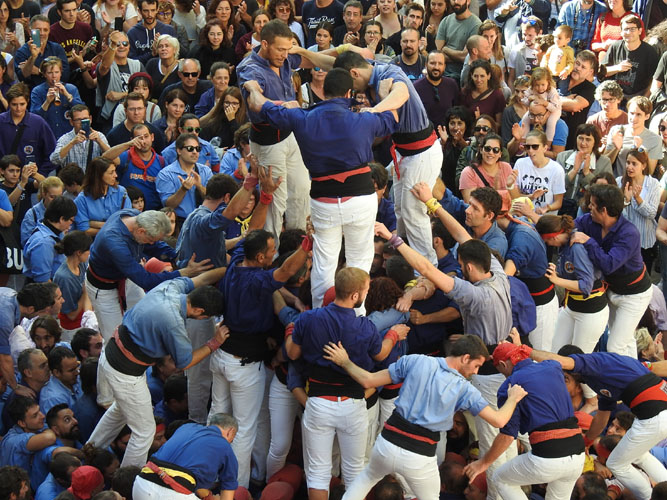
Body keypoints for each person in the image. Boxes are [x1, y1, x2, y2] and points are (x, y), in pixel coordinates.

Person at [244, 68, 398, 307]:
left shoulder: (301, 117)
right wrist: (385, 94)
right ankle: (355, 315)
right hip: (359, 199)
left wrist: (252, 86)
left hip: (324, 200)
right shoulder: (363, 119)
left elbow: (257, 104)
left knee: (324, 263)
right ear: (348, 93)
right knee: (359, 261)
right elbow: (393, 118)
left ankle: (319, 313)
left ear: (324, 91)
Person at [321, 334, 527, 500]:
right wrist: (513, 398)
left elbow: (368, 380)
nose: (476, 372)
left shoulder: (415, 360)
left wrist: (345, 361)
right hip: (419, 457)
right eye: (476, 365)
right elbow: (499, 420)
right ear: (465, 358)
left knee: (364, 479)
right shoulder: (465, 389)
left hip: (387, 444)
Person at [283, 267, 409, 500]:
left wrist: (290, 330)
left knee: (318, 473)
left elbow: (292, 353)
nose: (366, 294)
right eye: (366, 290)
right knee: (354, 471)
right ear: (355, 295)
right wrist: (393, 335)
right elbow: (380, 354)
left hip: (319, 402)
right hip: (352, 404)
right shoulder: (364, 327)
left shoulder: (308, 319)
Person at [86, 266, 228, 468]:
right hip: (125, 371)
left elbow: (203, 278)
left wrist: (228, 269)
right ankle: (126, 479)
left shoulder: (171, 287)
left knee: (121, 409)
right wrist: (214, 343)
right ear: (199, 311)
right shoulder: (173, 322)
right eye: (206, 317)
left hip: (112, 355)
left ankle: (90, 449)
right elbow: (185, 362)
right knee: (145, 432)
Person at [209, 228, 312, 488]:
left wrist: (291, 298)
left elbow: (275, 285)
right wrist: (307, 244)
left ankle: (209, 475)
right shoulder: (256, 280)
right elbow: (285, 272)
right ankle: (238, 488)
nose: (275, 253)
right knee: (244, 428)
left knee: (217, 417)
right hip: (244, 364)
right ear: (260, 257)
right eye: (271, 251)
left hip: (222, 355)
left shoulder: (236, 263)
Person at [334, 51, 442, 266]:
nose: (353, 91)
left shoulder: (389, 74)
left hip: (421, 153)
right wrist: (300, 52)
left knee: (413, 212)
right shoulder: (367, 67)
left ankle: (426, 268)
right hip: (405, 153)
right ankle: (405, 260)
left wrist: (374, 110)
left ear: (354, 73)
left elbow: (401, 94)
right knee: (400, 209)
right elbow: (334, 61)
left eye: (351, 85)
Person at [237, 20, 337, 240]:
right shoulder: (249, 68)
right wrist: (283, 105)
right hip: (268, 142)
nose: (284, 55)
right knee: (275, 201)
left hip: (291, 135)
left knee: (302, 191)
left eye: (287, 49)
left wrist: (301, 50)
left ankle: (297, 244)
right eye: (280, 49)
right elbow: (254, 100)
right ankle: (269, 253)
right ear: (265, 44)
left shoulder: (284, 58)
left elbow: (329, 62)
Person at [530, 348, 667, 500]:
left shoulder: (595, 361)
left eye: (565, 377)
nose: (563, 381)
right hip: (658, 413)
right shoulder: (599, 380)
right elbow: (601, 419)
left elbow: (561, 361)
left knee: (616, 464)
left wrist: (524, 350)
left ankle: (649, 497)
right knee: (639, 456)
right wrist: (586, 442)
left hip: (654, 414)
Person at [464, 343, 585, 500]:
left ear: (502, 365)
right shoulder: (553, 366)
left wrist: (483, 463)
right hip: (578, 453)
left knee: (500, 478)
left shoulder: (509, 385)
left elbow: (508, 436)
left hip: (548, 456)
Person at [84, 209, 212, 341]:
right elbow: (146, 280)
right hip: (104, 286)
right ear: (141, 231)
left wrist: (177, 258)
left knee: (144, 316)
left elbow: (155, 246)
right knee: (114, 336)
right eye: (150, 240)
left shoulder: (136, 217)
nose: (151, 243)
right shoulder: (113, 241)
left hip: (127, 275)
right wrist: (183, 272)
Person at [572, 183, 653, 357]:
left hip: (634, 296)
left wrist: (588, 241)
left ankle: (627, 373)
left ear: (604, 210)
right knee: (625, 340)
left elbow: (609, 264)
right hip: (611, 290)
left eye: (593, 204)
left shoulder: (629, 233)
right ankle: (632, 373)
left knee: (615, 346)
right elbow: (568, 227)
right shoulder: (589, 221)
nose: (589, 207)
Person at [535, 215, 609, 352]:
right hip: (572, 306)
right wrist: (556, 273)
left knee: (578, 358)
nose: (548, 244)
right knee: (555, 352)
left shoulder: (576, 247)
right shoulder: (564, 245)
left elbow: (586, 286)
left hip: (590, 311)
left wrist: (557, 280)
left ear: (554, 237)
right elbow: (570, 273)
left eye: (547, 241)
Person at [132, 414, 238, 499]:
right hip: (175, 494)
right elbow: (228, 487)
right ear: (231, 431)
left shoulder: (186, 427)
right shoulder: (224, 445)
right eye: (232, 439)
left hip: (142, 485)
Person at [616, 148, 661, 272]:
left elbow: (652, 213)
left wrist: (637, 198)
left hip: (644, 242)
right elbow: (615, 212)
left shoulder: (653, 184)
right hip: (624, 240)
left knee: (643, 276)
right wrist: (626, 201)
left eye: (634, 164)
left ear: (643, 165)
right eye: (628, 162)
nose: (629, 167)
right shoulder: (619, 181)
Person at [102, 123, 164, 211]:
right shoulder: (126, 157)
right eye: (139, 138)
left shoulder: (161, 161)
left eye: (146, 136)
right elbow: (104, 158)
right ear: (132, 139)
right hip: (128, 212)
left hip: (153, 212)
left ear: (152, 137)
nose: (143, 141)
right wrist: (128, 144)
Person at [556, 123, 613, 216]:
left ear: (595, 142)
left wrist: (587, 173)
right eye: (580, 138)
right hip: (561, 206)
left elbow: (603, 193)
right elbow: (555, 186)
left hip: (587, 211)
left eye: (588, 139)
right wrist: (574, 171)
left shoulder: (604, 162)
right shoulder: (562, 156)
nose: (583, 143)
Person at [0, 83, 56, 176]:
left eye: (22, 104)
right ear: (9, 103)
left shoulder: (38, 123)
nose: (18, 108)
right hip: (4, 178)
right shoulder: (1, 121)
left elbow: (53, 153)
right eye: (14, 104)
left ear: (27, 101)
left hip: (32, 178)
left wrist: (40, 175)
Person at [156, 132, 213, 223]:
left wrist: (199, 186)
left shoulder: (206, 171)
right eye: (190, 148)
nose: (195, 152)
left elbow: (213, 199)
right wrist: (183, 189)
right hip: (180, 222)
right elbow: (168, 206)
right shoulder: (166, 174)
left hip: (203, 220)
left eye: (198, 149)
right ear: (179, 151)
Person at [95, 30, 144, 131]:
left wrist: (122, 95)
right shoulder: (105, 65)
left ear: (129, 46)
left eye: (125, 43)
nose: (121, 46)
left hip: (136, 116)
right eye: (118, 44)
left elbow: (146, 92)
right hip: (110, 118)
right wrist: (113, 44)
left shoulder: (137, 65)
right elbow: (105, 66)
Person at [509, 129, 566, 214]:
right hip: (521, 215)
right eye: (527, 147)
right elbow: (515, 197)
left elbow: (558, 202)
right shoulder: (520, 163)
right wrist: (531, 197)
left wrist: (547, 208)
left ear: (545, 148)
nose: (530, 150)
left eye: (535, 147)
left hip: (544, 218)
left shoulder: (556, 169)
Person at [23, 196, 77, 283]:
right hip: (47, 288)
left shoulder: (55, 230)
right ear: (62, 219)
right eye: (71, 220)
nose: (70, 225)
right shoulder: (44, 243)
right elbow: (43, 280)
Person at [73, 157, 131, 236]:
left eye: (115, 171)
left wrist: (95, 224)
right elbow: (84, 230)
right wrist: (111, 228)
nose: (116, 175)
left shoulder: (121, 192)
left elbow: (127, 222)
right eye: (111, 173)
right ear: (98, 175)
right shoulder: (82, 199)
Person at [604, 96, 662, 176]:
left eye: (638, 114)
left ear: (647, 116)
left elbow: (650, 172)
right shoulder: (616, 131)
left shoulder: (655, 139)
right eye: (631, 113)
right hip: (617, 181)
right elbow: (605, 163)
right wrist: (616, 148)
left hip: (639, 183)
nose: (633, 118)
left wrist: (640, 150)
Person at [603, 14, 658, 98]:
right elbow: (601, 72)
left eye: (632, 29)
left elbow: (654, 81)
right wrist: (617, 68)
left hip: (637, 97)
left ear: (640, 31)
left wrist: (644, 99)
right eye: (626, 29)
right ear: (621, 32)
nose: (629, 32)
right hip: (614, 96)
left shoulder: (649, 52)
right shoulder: (615, 47)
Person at [30, 57, 83, 139]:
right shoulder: (37, 91)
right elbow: (34, 118)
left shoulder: (71, 89)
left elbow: (82, 112)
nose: (54, 76)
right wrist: (47, 102)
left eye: (57, 72)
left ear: (61, 72)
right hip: (47, 136)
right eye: (50, 73)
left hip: (69, 136)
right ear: (44, 74)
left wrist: (67, 95)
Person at [53, 231, 93, 336]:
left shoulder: (82, 264)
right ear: (79, 252)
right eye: (88, 250)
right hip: (72, 329)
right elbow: (71, 315)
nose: (90, 253)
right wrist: (85, 292)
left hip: (84, 318)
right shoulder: (64, 278)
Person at [51, 105, 111, 172]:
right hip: (72, 178)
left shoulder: (99, 136)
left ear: (90, 119)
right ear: (71, 122)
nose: (82, 123)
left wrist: (100, 142)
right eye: (78, 120)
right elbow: (54, 160)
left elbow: (112, 158)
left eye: (85, 119)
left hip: (93, 178)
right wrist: (72, 143)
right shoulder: (65, 139)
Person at [13, 15, 69, 87]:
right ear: (30, 31)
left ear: (49, 31)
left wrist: (39, 71)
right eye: (38, 30)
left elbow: (65, 76)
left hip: (56, 88)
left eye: (45, 30)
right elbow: (23, 78)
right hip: (32, 91)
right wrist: (32, 57)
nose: (42, 33)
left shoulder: (57, 49)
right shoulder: (22, 52)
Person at [558, 50, 598, 150]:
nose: (578, 68)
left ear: (590, 72)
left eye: (583, 67)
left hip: (570, 138)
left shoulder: (590, 89)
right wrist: (565, 100)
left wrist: (549, 101)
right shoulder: (560, 78)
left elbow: (575, 106)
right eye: (577, 63)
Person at [458, 133, 513, 203]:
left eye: (496, 150)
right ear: (481, 150)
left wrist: (510, 186)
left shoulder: (506, 167)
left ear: (500, 154)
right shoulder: (469, 172)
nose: (491, 152)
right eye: (487, 149)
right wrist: (496, 190)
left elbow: (516, 199)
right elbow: (472, 204)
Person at [434, 0, 480, 83]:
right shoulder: (446, 21)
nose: (456, 2)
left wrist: (445, 49)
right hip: (441, 72)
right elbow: (437, 54)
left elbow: (465, 57)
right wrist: (457, 57)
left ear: (468, 1)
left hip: (462, 76)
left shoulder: (476, 25)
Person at [414, 51, 459, 129]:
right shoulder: (416, 87)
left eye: (440, 64)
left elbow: (457, 112)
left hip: (447, 133)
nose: (436, 67)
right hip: (425, 133)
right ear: (426, 65)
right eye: (432, 63)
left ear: (444, 66)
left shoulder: (452, 85)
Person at [127, 0, 175, 65]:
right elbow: (131, 62)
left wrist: (162, 45)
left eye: (153, 10)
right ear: (139, 11)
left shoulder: (169, 30)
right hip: (141, 70)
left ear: (157, 10)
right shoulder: (132, 33)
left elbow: (176, 56)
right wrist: (152, 54)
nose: (150, 15)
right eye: (146, 11)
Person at [461, 59, 505, 126]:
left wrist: (482, 122)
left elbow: (499, 124)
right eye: (475, 76)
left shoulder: (497, 95)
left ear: (488, 76)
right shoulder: (465, 92)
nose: (479, 80)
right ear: (471, 75)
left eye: (482, 76)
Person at [40, 347, 82, 413]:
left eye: (77, 367)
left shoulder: (76, 378)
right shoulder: (52, 398)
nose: (77, 372)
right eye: (71, 370)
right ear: (56, 373)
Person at [587, 79, 627, 146]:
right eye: (604, 100)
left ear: (619, 100)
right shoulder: (592, 121)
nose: (607, 104)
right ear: (599, 100)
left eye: (611, 99)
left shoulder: (627, 120)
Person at [145, 34, 180, 101]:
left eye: (167, 46)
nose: (163, 49)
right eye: (160, 46)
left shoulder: (181, 67)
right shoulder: (152, 64)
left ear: (175, 50)